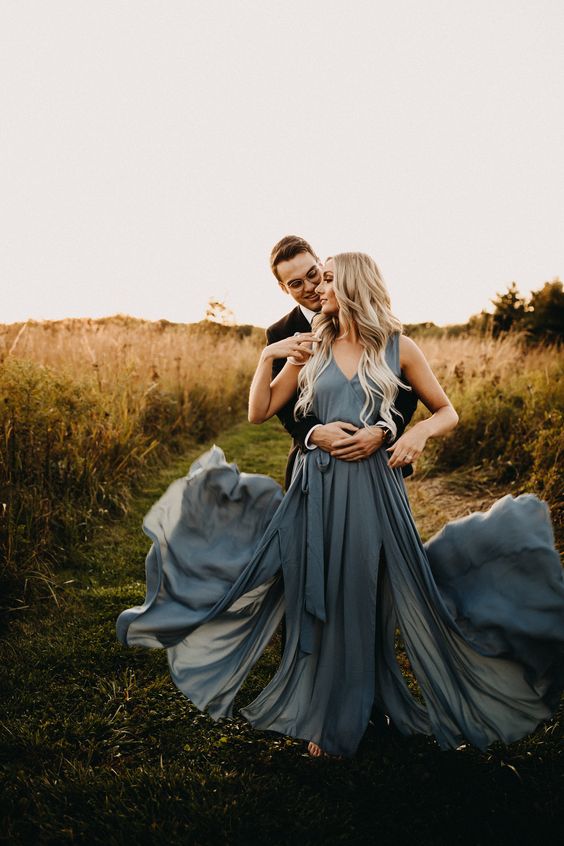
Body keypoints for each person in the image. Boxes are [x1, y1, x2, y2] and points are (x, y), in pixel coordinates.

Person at [117, 252, 564, 759]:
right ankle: (329, 713)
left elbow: (447, 411)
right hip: (319, 487)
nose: (316, 290)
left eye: (325, 279)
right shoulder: (313, 346)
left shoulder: (400, 347)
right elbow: (259, 411)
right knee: (323, 591)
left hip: (376, 487)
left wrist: (411, 432)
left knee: (376, 589)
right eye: (310, 281)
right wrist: (269, 359)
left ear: (351, 285)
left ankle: (375, 698)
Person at [266, 235, 418, 488]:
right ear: (284, 288)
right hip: (316, 460)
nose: (310, 287)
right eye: (295, 284)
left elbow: (404, 388)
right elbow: (283, 402)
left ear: (320, 263)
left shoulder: (375, 322)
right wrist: (313, 433)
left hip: (374, 459)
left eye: (314, 274)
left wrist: (383, 431)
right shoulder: (280, 332)